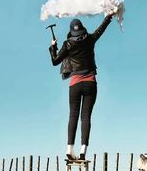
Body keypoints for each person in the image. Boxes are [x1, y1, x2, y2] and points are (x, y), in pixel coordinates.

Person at [49, 12, 115, 160]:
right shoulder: (90, 39)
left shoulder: (67, 44)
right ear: (82, 29)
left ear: (71, 31)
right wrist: (108, 17)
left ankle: (69, 149)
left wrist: (53, 47)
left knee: (73, 115)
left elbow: (55, 61)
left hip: (75, 85)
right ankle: (83, 151)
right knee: (86, 117)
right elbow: (101, 29)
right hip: (90, 83)